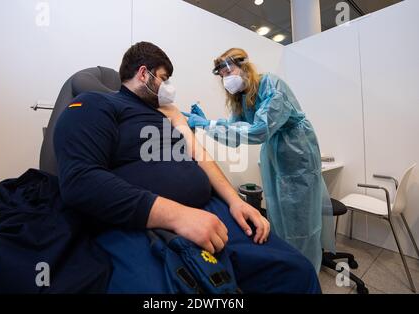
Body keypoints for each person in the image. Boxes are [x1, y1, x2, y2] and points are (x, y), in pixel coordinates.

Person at [53, 42, 321, 293]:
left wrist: (235, 201)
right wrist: (179, 216)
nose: (168, 86)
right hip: (151, 224)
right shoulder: (96, 104)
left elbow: (199, 156)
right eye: (164, 78)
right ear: (144, 74)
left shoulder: (169, 113)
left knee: (298, 272)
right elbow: (80, 180)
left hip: (212, 210)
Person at [183, 48, 335, 273]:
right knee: (277, 210)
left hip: (297, 150)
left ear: (244, 66)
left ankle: (305, 271)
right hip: (273, 151)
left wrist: (209, 124)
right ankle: (288, 264)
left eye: (228, 70)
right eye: (222, 75)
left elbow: (259, 130)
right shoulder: (241, 97)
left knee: (300, 219)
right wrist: (207, 123)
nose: (226, 78)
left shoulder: (271, 85)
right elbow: (235, 136)